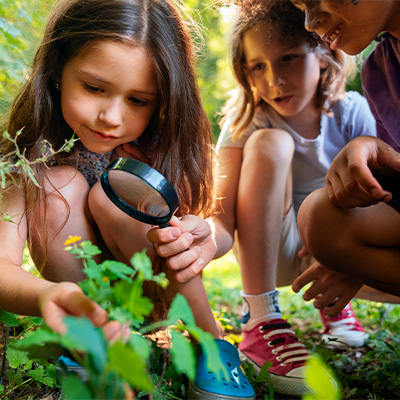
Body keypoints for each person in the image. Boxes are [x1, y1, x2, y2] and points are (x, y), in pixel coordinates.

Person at [0, 1, 255, 399]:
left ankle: (211, 342)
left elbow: (219, 232)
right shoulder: (31, 156)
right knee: (56, 185)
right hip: (87, 298)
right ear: (56, 71)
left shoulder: (160, 149)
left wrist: (201, 236)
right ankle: (94, 338)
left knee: (114, 194)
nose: (111, 117)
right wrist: (47, 293)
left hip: (155, 290)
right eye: (94, 87)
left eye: (138, 100)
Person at [148, 0, 377, 396]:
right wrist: (203, 236)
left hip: (336, 251)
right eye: (258, 66)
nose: (275, 80)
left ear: (323, 54)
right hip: (271, 250)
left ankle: (335, 304)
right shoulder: (245, 123)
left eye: (288, 58)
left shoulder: (353, 113)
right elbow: (222, 222)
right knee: (271, 142)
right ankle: (260, 318)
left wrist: (351, 265)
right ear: (245, 72)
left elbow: (376, 199)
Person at [287, 0, 400, 314]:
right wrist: (371, 150)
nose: (309, 21)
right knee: (319, 217)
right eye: (301, 5)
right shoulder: (379, 71)